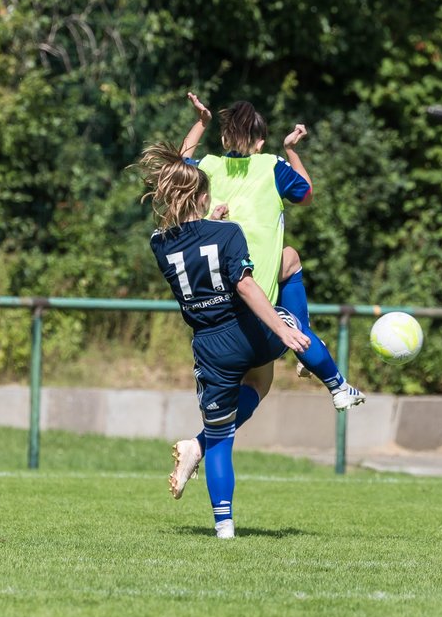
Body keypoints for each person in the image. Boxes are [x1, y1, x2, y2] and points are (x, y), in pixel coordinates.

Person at [167, 93, 364, 499]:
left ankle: (202, 450)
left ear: (224, 138)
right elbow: (306, 193)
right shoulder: (272, 165)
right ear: (260, 141)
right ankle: (325, 371)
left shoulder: (208, 166)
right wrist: (291, 151)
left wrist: (200, 122)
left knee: (289, 260)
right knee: (265, 368)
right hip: (254, 290)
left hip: (211, 297)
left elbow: (178, 164)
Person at [138, 141, 310, 538]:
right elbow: (245, 285)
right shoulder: (229, 232)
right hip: (244, 329)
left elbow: (193, 244)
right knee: (290, 280)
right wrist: (284, 327)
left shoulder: (158, 244)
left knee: (221, 433)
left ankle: (224, 527)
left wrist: (206, 218)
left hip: (207, 345)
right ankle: (324, 371)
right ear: (202, 196)